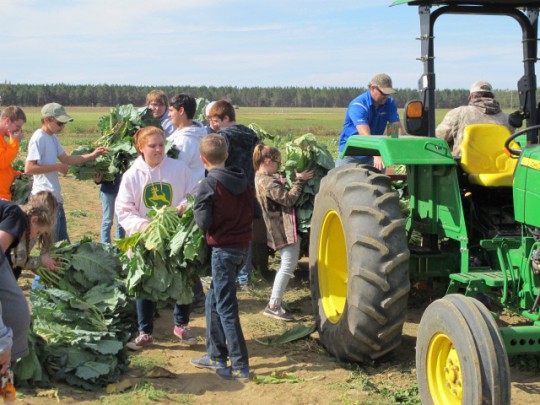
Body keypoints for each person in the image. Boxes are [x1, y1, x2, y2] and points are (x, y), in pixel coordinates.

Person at [115, 126, 198, 351]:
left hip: (175, 237)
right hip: (145, 239)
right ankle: (145, 332)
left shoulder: (179, 169)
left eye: (161, 145)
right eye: (152, 146)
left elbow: (193, 193)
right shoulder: (132, 175)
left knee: (182, 278)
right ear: (140, 148)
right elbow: (124, 209)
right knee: (145, 282)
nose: (158, 149)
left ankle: (181, 325)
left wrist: (183, 206)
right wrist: (144, 226)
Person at [191, 134, 253, 382]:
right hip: (242, 249)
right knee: (213, 298)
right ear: (226, 155)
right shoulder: (243, 179)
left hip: (223, 251)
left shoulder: (209, 184)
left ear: (202, 159)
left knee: (226, 307)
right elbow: (255, 212)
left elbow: (203, 222)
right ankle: (216, 356)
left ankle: (240, 366)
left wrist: (196, 208)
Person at [25, 103, 107, 243]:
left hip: (55, 197)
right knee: (54, 245)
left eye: (64, 123)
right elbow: (29, 168)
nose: (62, 127)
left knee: (61, 244)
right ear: (46, 120)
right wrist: (57, 167)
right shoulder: (38, 138)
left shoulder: (52, 137)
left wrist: (92, 155)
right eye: (59, 123)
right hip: (44, 198)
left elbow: (67, 159)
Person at [253, 145, 314, 321]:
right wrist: (300, 181)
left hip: (277, 227)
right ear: (267, 161)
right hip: (282, 228)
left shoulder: (261, 177)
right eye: (277, 163)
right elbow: (288, 199)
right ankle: (273, 306)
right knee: (287, 266)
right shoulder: (267, 182)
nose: (279, 166)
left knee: (286, 264)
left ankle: (275, 302)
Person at [0, 196, 57, 371]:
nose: (35, 236)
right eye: (38, 232)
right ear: (33, 220)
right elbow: (14, 258)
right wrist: (41, 261)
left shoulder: (18, 221)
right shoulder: (16, 218)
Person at [208, 100, 261, 288]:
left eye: (216, 120)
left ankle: (228, 275)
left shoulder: (222, 137)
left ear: (225, 118)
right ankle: (245, 277)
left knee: (226, 233)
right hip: (248, 188)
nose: (213, 125)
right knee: (245, 232)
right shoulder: (251, 135)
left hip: (227, 189)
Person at [336, 73, 403, 171]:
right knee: (343, 179)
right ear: (372, 88)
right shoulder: (358, 105)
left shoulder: (389, 103)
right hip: (351, 154)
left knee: (379, 178)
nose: (386, 96)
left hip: (373, 153)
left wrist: (391, 149)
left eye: (388, 93)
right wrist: (376, 154)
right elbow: (364, 134)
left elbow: (395, 128)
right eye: (384, 93)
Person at [436, 80, 515, 156]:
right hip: (499, 163)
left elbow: (438, 139)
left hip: (464, 164)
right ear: (492, 97)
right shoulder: (508, 119)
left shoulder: (459, 113)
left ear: (472, 96)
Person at [11, 191, 58, 280]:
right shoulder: (23, 224)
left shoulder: (35, 224)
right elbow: (16, 259)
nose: (35, 237)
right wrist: (41, 261)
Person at [168, 94, 208, 185]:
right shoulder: (198, 131)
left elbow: (175, 170)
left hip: (185, 189)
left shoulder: (184, 141)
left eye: (171, 110)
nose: (169, 114)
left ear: (181, 111)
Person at [0, 106, 26, 201]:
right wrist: (15, 142)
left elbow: (5, 169)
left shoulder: (2, 139)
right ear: (7, 121)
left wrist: (20, 174)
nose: (18, 130)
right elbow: (2, 162)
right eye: (17, 126)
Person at [93, 173, 125, 244]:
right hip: (107, 191)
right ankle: (106, 247)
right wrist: (97, 180)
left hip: (123, 191)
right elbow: (98, 173)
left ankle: (120, 247)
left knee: (121, 221)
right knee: (107, 220)